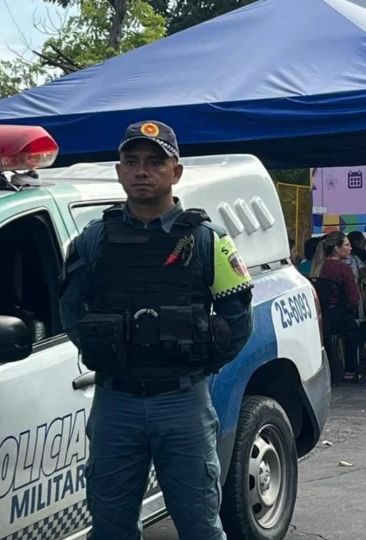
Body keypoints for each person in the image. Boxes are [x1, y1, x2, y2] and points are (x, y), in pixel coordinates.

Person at [59, 120, 254, 540]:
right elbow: (70, 312)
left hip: (182, 403)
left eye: (155, 162)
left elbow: (238, 321)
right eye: (132, 162)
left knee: (200, 526)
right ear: (119, 171)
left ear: (175, 172)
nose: (142, 171)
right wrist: (109, 351)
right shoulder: (93, 240)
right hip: (116, 403)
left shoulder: (208, 240)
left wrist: (197, 363)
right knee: (110, 529)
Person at [310, 231, 362, 381]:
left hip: (321, 319)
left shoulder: (318, 268)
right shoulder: (344, 269)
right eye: (347, 245)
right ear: (337, 248)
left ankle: (329, 370)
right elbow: (354, 298)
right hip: (340, 318)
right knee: (355, 329)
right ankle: (350, 370)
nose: (350, 248)